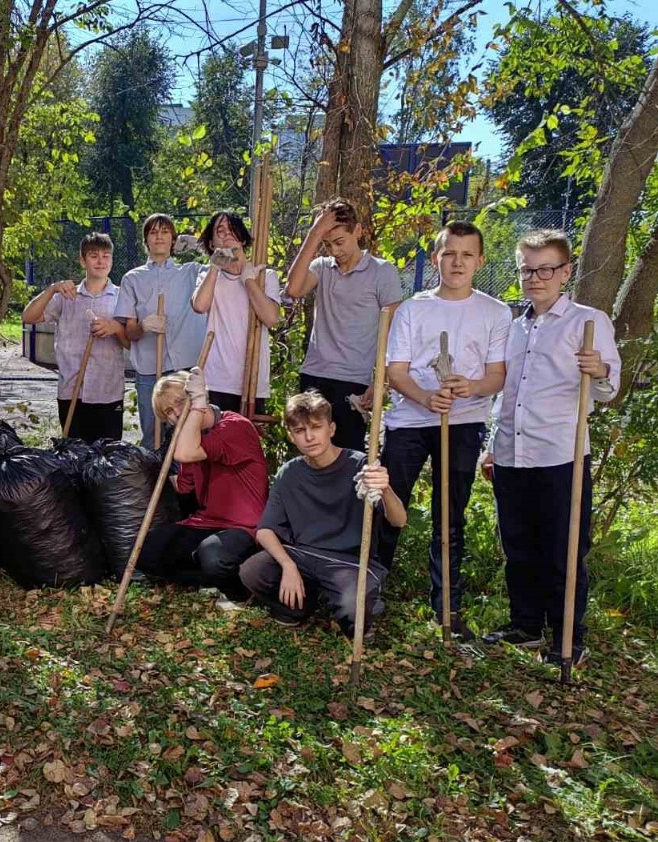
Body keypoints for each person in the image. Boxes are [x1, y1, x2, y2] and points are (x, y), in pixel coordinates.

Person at [480, 229, 620, 667]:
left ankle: (567, 640)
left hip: (561, 454)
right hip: (512, 451)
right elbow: (505, 392)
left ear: (565, 272)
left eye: (545, 269)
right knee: (518, 545)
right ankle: (525, 625)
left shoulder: (587, 321)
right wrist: (491, 445)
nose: (535, 278)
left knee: (564, 549)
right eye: (527, 269)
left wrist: (598, 369)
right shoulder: (512, 326)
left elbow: (607, 389)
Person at [377, 221, 510, 642]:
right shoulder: (414, 309)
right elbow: (395, 371)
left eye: (467, 254)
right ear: (435, 258)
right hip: (409, 422)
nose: (457, 262)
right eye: (449, 253)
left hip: (464, 421)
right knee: (388, 502)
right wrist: (424, 397)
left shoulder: (496, 312)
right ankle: (369, 590)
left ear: (480, 261)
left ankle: (447, 606)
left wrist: (470, 387)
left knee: (450, 513)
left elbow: (498, 375)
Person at [239, 391, 407, 636]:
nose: (309, 437)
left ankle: (359, 599)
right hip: (304, 556)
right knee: (253, 571)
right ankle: (298, 607)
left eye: (316, 427)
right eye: (299, 431)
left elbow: (399, 519)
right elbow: (265, 530)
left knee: (355, 619)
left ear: (331, 428)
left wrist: (384, 487)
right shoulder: (290, 472)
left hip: (348, 562)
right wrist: (288, 565)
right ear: (291, 436)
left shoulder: (360, 464)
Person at [135, 367, 268, 607]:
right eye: (169, 412)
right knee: (146, 551)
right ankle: (211, 581)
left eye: (180, 402)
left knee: (213, 557)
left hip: (244, 528)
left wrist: (197, 406)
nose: (177, 413)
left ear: (197, 396)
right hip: (206, 522)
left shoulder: (235, 426)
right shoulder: (191, 435)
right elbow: (184, 487)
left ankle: (243, 592)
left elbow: (187, 453)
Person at [285, 197, 403, 451]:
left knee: (348, 458)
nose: (334, 251)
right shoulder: (322, 267)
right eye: (327, 244)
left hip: (354, 381)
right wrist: (314, 233)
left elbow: (395, 331)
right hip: (315, 374)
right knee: (310, 453)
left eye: (340, 242)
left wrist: (381, 380)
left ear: (358, 231)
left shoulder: (382, 272)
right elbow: (293, 288)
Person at [22, 232, 126, 442]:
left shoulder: (122, 297)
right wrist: (51, 289)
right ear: (82, 260)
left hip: (108, 392)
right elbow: (28, 317)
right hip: (71, 391)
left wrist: (115, 327)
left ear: (112, 260)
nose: (100, 261)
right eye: (93, 256)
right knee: (74, 458)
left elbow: (131, 342)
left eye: (106, 256)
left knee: (106, 461)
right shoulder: (66, 296)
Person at [116, 213, 207, 446]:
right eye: (153, 232)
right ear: (146, 240)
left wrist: (198, 244)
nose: (159, 237)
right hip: (149, 371)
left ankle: (181, 481)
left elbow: (222, 264)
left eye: (165, 232)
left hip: (182, 369)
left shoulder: (191, 272)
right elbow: (130, 333)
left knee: (187, 432)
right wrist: (144, 325)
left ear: (174, 240)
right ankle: (152, 479)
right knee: (151, 434)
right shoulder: (132, 279)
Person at [190, 210, 281, 415]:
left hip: (252, 380)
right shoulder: (207, 274)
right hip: (216, 381)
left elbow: (271, 318)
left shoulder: (264, 276)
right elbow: (199, 306)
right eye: (220, 231)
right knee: (216, 441)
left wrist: (248, 281)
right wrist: (215, 267)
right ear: (212, 244)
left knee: (247, 443)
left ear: (242, 238)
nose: (227, 234)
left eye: (232, 230)